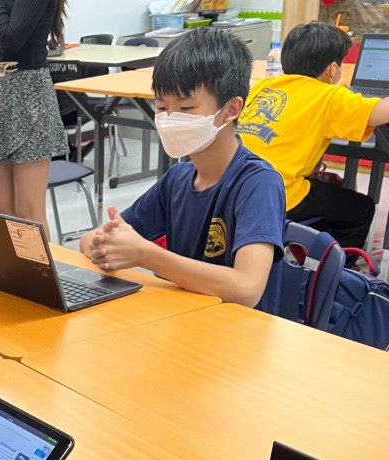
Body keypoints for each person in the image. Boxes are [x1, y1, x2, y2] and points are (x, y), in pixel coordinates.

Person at [80, 29, 286, 312]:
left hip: (239, 338)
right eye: (162, 107)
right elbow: (88, 239)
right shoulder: (178, 178)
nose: (169, 120)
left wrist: (145, 255)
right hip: (185, 321)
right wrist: (105, 245)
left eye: (186, 108)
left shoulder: (257, 183)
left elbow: (247, 288)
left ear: (231, 109)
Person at [237, 22, 389, 253]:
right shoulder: (330, 96)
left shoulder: (265, 85)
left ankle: (306, 248)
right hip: (282, 195)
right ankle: (332, 273)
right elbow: (385, 112)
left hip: (238, 188)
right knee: (361, 209)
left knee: (325, 193)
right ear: (332, 70)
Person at [0, 0, 68, 225]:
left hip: (29, 94)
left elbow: (10, 40)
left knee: (28, 214)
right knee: (6, 212)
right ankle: (13, 262)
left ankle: (38, 262)